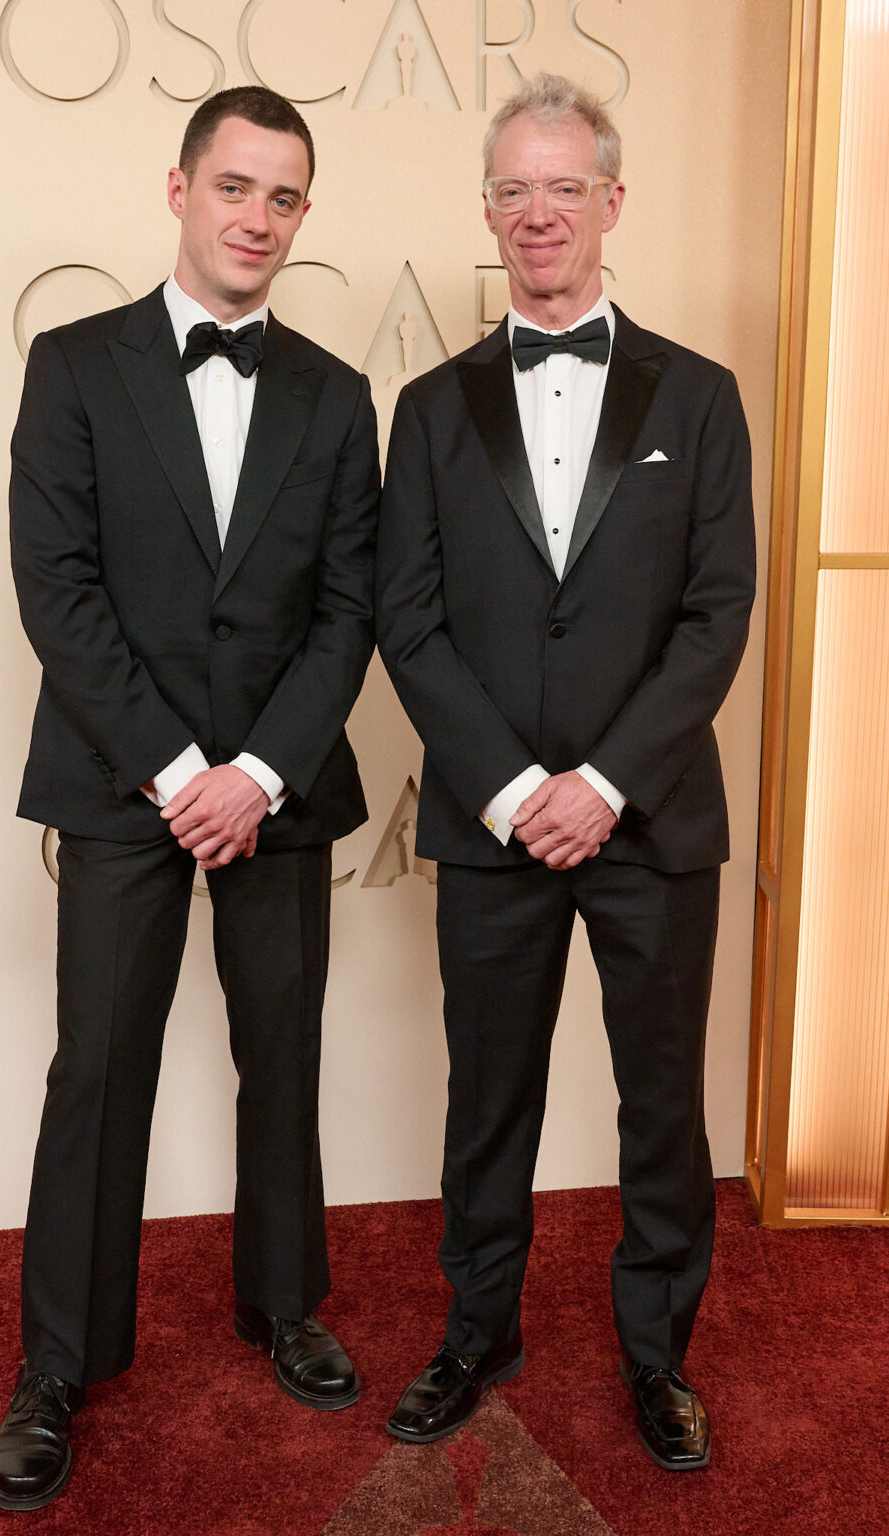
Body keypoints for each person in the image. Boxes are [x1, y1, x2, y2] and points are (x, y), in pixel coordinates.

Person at [0, 86, 380, 1511]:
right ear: (179, 188)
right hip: (120, 782)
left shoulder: (338, 396)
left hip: (279, 784)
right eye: (234, 186)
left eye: (283, 197)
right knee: (98, 1068)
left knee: (282, 1049)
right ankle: (59, 1362)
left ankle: (284, 1302)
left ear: (301, 215)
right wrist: (176, 773)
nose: (256, 218)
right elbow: (57, 589)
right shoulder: (73, 365)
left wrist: (256, 775)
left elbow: (349, 612)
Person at [376, 73, 755, 1471]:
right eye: (514, 190)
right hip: (491, 826)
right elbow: (405, 619)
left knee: (661, 1107)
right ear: (489, 210)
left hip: (651, 821)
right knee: (487, 1102)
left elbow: (719, 611)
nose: (539, 213)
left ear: (611, 201)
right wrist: (509, 789)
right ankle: (478, 1331)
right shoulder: (427, 409)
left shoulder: (700, 397)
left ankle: (659, 1356)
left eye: (564, 187)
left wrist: (601, 785)